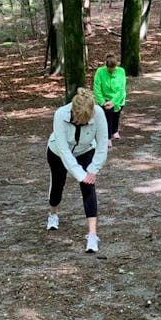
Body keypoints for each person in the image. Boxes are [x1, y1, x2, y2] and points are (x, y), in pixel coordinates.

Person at [46, 86, 109, 253]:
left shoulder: (99, 113)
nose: (80, 123)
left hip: (86, 150)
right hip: (57, 152)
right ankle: (53, 213)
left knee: (89, 188)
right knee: (58, 185)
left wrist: (92, 170)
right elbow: (64, 150)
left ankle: (93, 234)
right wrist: (81, 174)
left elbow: (103, 144)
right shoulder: (60, 114)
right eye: (78, 120)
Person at [93, 53, 127, 145]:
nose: (112, 71)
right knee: (108, 117)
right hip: (105, 98)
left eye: (113, 69)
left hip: (118, 98)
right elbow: (97, 88)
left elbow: (121, 89)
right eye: (109, 69)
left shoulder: (121, 71)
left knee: (116, 114)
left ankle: (114, 130)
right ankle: (107, 137)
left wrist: (113, 102)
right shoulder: (100, 72)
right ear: (106, 66)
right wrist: (102, 102)